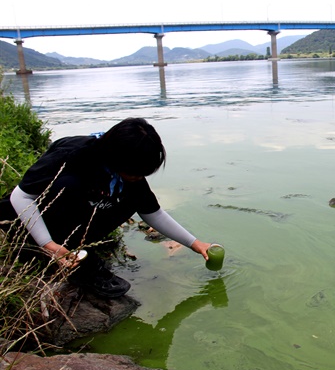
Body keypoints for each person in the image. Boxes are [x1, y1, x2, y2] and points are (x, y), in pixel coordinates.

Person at [5, 118, 212, 298]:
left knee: (129, 198)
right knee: (69, 186)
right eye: (134, 172)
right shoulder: (73, 154)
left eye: (142, 174)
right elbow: (22, 195)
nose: (138, 178)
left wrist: (195, 243)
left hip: (74, 221)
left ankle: (76, 250)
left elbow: (152, 213)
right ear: (116, 157)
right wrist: (47, 244)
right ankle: (49, 252)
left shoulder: (128, 173)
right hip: (30, 219)